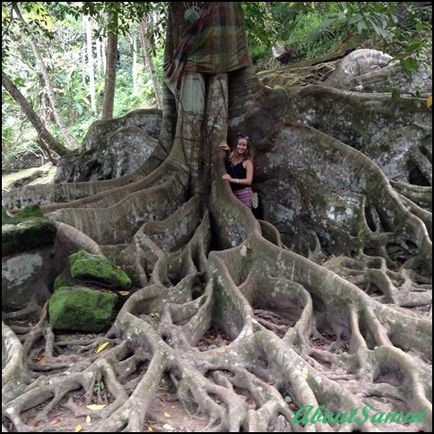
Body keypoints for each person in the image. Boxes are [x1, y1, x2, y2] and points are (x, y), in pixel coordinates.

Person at [220, 134, 254, 209]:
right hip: (232, 193)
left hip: (245, 194)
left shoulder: (248, 162)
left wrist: (232, 180)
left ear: (247, 148)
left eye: (244, 145)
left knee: (244, 217)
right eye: (239, 144)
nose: (241, 147)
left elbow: (249, 181)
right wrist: (227, 150)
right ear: (236, 145)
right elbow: (229, 165)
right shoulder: (232, 156)